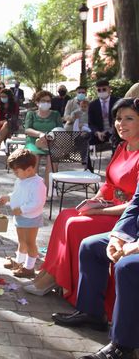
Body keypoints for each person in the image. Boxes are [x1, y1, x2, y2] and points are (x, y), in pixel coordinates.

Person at [24, 98, 139, 309]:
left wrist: (102, 210)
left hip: (127, 219)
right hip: (108, 206)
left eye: (129, 119)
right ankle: (52, 275)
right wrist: (94, 201)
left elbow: (135, 205)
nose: (121, 123)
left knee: (75, 225)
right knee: (66, 215)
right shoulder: (123, 147)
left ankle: (63, 282)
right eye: (118, 119)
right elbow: (109, 185)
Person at [51, 182, 139, 359]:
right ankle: (91, 313)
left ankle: (122, 348)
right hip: (134, 234)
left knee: (127, 267)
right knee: (90, 246)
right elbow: (135, 205)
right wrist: (117, 237)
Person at [0, 149, 47, 278]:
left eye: (17, 171)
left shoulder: (38, 184)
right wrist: (8, 197)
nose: (15, 174)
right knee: (21, 241)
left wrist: (23, 209)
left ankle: (29, 267)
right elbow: (18, 195)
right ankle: (19, 262)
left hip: (30, 218)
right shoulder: (21, 180)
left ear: (30, 169)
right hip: (20, 216)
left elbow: (37, 202)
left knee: (30, 242)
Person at [23, 90, 63, 186]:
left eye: (48, 101)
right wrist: (40, 134)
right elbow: (27, 129)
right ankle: (34, 189)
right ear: (37, 102)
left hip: (52, 142)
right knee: (33, 158)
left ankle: (47, 191)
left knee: (52, 160)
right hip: (34, 141)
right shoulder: (31, 114)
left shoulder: (56, 114)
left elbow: (60, 129)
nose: (46, 103)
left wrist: (50, 137)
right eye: (43, 101)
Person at [89, 78, 120, 146]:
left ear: (109, 89)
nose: (101, 91)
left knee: (117, 139)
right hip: (100, 133)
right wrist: (97, 132)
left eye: (104, 89)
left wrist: (114, 130)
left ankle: (115, 156)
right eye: (99, 90)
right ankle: (86, 157)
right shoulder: (92, 105)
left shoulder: (117, 102)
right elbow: (91, 123)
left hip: (115, 131)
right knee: (85, 138)